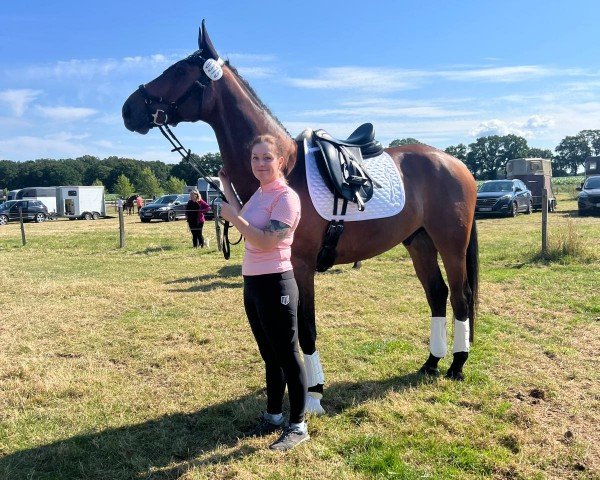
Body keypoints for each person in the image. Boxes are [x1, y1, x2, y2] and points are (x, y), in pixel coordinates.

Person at [218, 134, 308, 451]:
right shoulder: (260, 194)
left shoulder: (286, 197)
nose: (260, 164)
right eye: (255, 158)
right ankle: (272, 416)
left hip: (277, 282)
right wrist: (225, 185)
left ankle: (297, 425)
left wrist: (234, 219)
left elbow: (266, 241)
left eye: (267, 158)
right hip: (253, 283)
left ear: (280, 161)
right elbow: (244, 212)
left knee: (287, 356)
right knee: (269, 355)